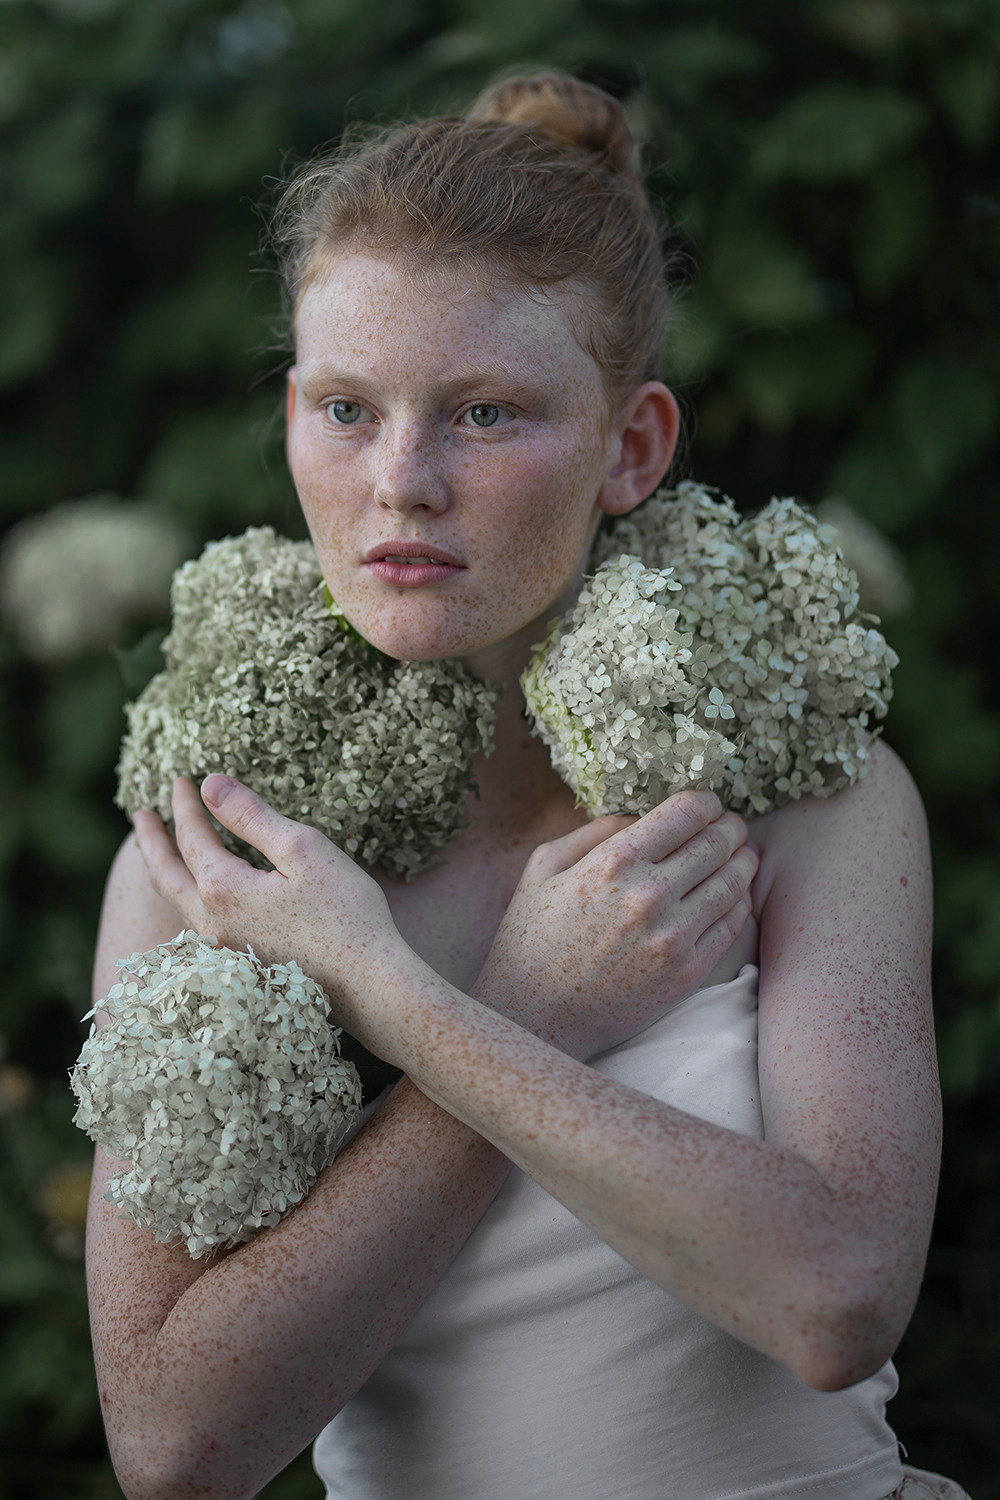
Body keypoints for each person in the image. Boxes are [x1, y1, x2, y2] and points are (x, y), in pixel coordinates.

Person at [86, 72, 965, 1500]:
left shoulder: (812, 800)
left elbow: (835, 1300)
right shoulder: (219, 854)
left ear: (634, 449)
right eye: (345, 408)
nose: (403, 482)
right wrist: (525, 1008)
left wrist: (410, 1007)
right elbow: (178, 1447)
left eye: (486, 414)